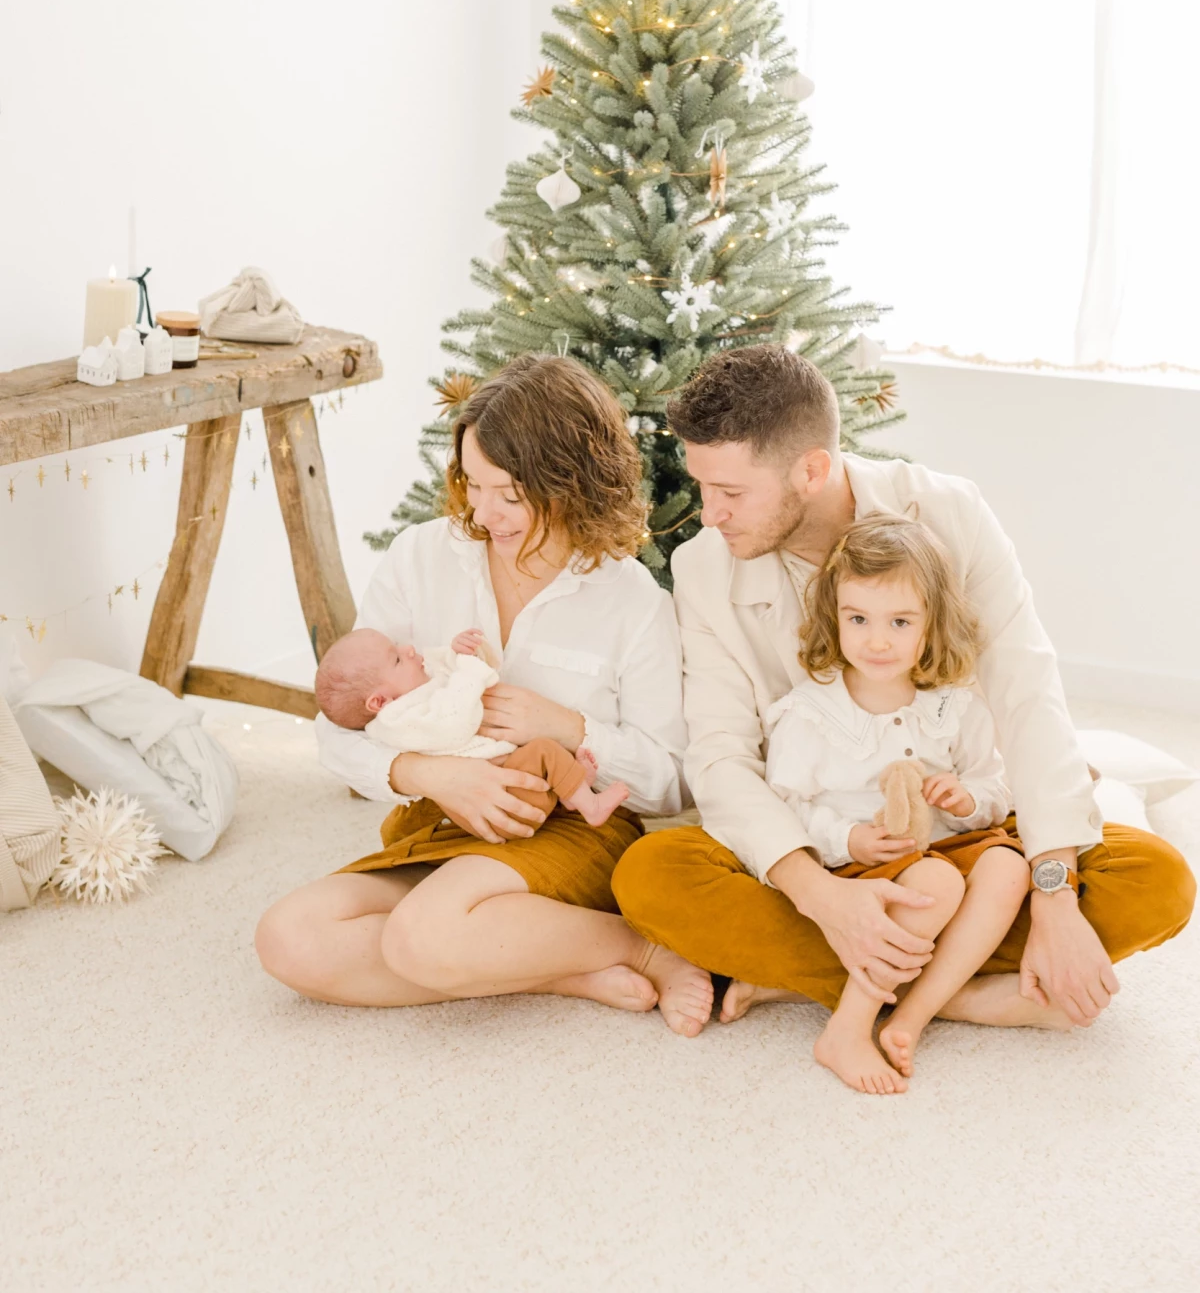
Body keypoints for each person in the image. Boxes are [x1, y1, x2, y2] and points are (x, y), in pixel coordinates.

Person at [613, 345, 1195, 1037]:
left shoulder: (950, 512)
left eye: (731, 493)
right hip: (826, 844)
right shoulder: (705, 568)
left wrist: (1055, 895)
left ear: (812, 470)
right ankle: (957, 992)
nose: (710, 514)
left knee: (1158, 881)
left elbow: (1026, 696)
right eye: (702, 487)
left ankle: (824, 975)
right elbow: (720, 756)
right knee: (650, 874)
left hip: (963, 840)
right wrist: (824, 898)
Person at [255, 354, 711, 1030]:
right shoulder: (420, 557)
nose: (484, 512)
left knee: (422, 937)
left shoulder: (632, 601)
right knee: (289, 938)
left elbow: (673, 783)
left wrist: (569, 727)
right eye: (473, 484)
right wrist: (430, 774)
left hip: (570, 827)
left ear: (573, 483)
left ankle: (644, 950)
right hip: (448, 816)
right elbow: (340, 723)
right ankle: (556, 969)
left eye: (511, 494)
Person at [768, 513, 1030, 1093]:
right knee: (935, 883)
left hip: (944, 847)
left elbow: (995, 785)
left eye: (901, 621)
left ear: (932, 624)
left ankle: (911, 1018)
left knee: (1009, 867)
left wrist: (966, 799)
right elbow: (783, 806)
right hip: (862, 868)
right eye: (858, 619)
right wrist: (848, 837)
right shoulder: (811, 714)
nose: (878, 640)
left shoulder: (953, 705)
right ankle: (846, 1028)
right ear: (834, 617)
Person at [313, 625, 630, 828]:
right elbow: (454, 722)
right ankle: (590, 805)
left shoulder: (411, 693)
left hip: (506, 777)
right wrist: (468, 671)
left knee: (546, 750)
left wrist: (457, 653)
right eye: (396, 659)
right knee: (545, 750)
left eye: (397, 646)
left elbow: (444, 672)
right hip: (495, 799)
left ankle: (571, 792)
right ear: (379, 702)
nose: (408, 649)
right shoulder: (398, 720)